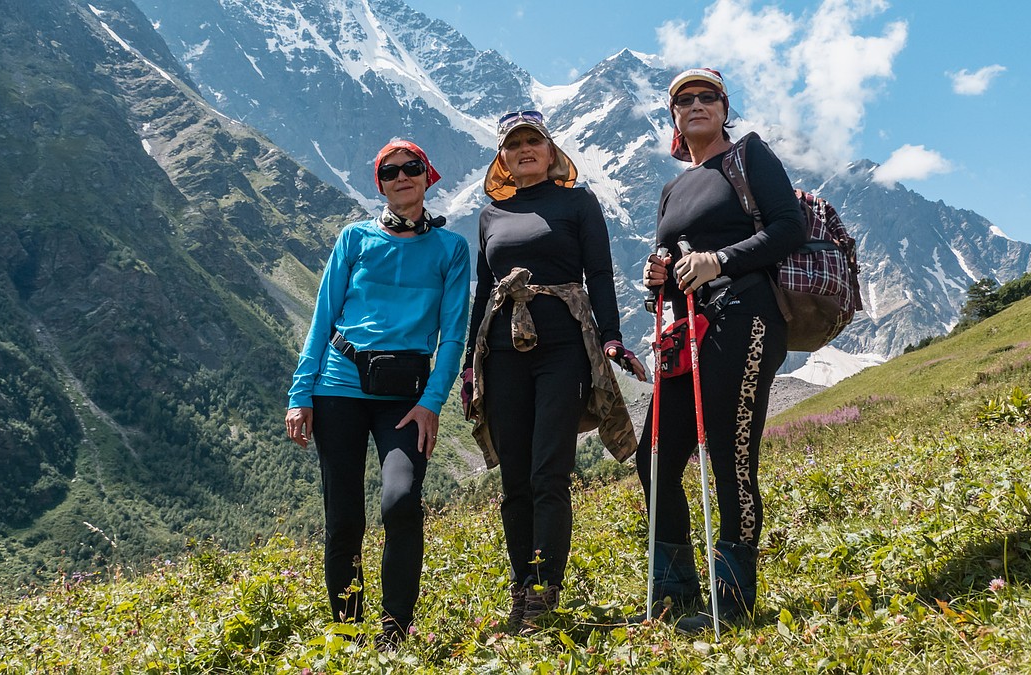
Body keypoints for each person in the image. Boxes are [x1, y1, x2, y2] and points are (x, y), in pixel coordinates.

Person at [636, 68, 806, 633]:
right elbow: (669, 271)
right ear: (675, 118)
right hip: (689, 330)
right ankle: (674, 588)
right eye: (684, 100)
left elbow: (789, 228)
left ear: (725, 108)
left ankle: (731, 601)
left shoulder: (750, 156)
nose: (696, 104)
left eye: (708, 96)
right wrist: (659, 275)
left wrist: (721, 260)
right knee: (655, 455)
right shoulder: (671, 189)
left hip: (746, 316)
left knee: (730, 454)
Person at [462, 110, 646, 631]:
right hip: (501, 351)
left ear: (550, 151)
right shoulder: (490, 214)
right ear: (503, 157)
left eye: (533, 142)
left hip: (564, 347)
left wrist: (610, 337)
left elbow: (600, 273)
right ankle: (521, 589)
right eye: (514, 143)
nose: (524, 149)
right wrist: (469, 371)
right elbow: (484, 293)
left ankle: (545, 591)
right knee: (515, 478)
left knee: (549, 472)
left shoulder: (577, 203)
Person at [285, 140, 470, 649]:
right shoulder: (353, 239)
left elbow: (453, 336)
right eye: (390, 172)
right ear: (381, 184)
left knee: (401, 502)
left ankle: (393, 634)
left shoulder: (451, 251)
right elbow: (322, 319)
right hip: (338, 389)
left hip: (405, 398)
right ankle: (347, 630)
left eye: (412, 168)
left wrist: (432, 402)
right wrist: (301, 394)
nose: (401, 177)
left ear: (427, 176)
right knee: (343, 516)